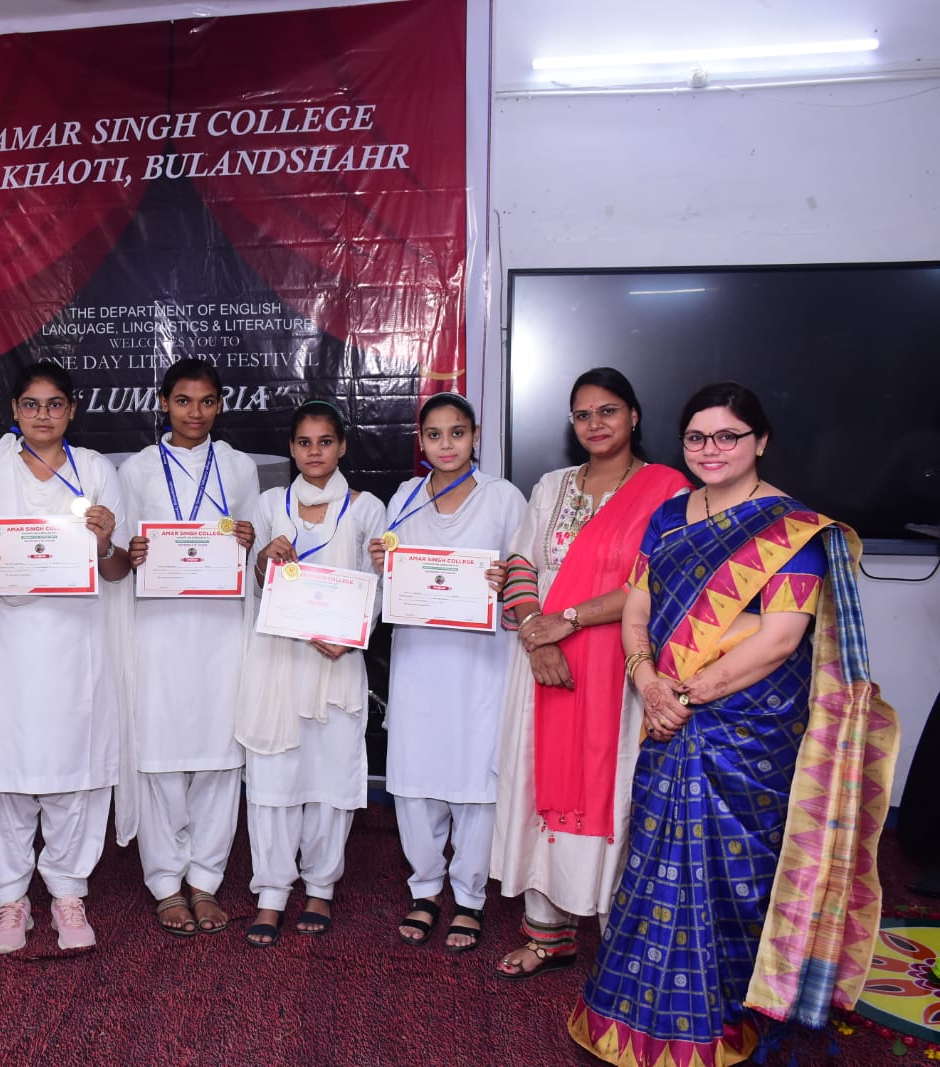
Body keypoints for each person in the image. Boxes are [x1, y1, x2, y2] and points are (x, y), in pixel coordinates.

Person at [570, 382, 898, 1066]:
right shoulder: (668, 516)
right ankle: (629, 1018)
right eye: (697, 437)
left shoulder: (791, 528)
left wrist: (684, 696)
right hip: (667, 708)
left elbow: (779, 639)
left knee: (731, 872)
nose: (710, 449)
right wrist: (646, 679)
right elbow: (637, 606)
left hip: (746, 727)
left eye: (728, 436)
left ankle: (720, 1021)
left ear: (760, 441)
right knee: (652, 857)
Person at [488, 369, 687, 978]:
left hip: (620, 666)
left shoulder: (668, 490)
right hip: (542, 661)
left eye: (608, 411)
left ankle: (619, 939)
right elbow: (520, 564)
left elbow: (655, 582)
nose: (595, 424)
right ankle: (548, 935)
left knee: (614, 786)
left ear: (634, 416)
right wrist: (536, 633)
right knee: (539, 784)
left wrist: (566, 621)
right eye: (583, 414)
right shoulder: (551, 486)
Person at [0, 360, 132, 953]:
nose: (43, 415)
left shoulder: (96, 470)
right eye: (31, 404)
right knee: (2, 771)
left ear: (72, 410)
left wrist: (105, 542)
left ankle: (68, 892)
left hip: (76, 643)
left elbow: (119, 569)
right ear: (14, 410)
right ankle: (9, 898)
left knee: (76, 768)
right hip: (4, 642)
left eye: (55, 404)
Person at [371, 392, 526, 952]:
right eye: (433, 435)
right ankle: (425, 887)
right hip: (419, 657)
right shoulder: (405, 498)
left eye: (456, 433)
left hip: (481, 660)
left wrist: (507, 581)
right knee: (416, 775)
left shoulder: (503, 497)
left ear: (475, 436)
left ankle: (470, 896)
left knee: (476, 777)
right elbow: (389, 579)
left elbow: (528, 574)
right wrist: (381, 564)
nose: (445, 445)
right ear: (420, 440)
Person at [235, 400, 385, 947]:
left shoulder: (366, 508)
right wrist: (263, 559)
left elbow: (379, 583)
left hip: (335, 660)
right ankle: (272, 892)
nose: (314, 452)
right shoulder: (269, 504)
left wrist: (352, 636)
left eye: (325, 441)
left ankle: (321, 885)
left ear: (342, 446)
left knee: (330, 778)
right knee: (273, 780)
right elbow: (255, 582)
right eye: (304, 442)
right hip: (279, 659)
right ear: (291, 449)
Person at [119, 359, 259, 937]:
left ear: (220, 404)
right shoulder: (137, 469)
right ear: (163, 403)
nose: (194, 413)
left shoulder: (239, 467)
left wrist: (250, 540)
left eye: (206, 401)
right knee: (159, 758)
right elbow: (121, 550)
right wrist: (132, 553)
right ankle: (164, 883)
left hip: (221, 630)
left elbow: (256, 550)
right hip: (158, 628)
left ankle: (205, 879)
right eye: (182, 401)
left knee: (220, 757)